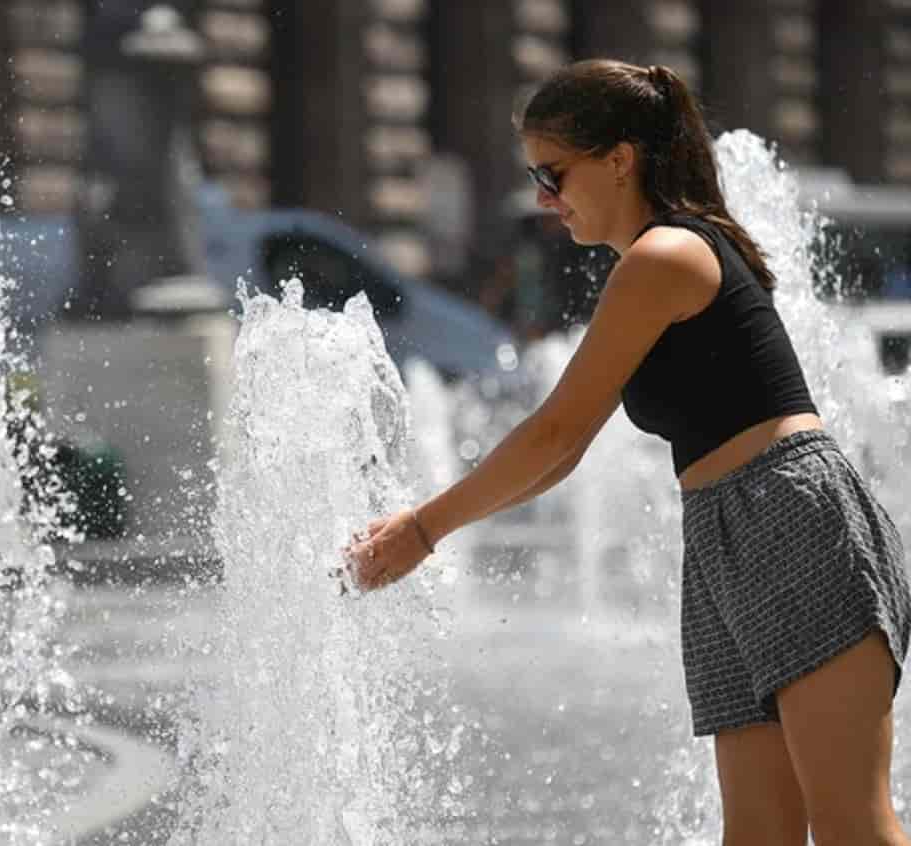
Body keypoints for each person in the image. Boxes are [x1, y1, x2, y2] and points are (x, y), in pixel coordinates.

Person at [347, 59, 911, 845]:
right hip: (724, 531)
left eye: (552, 174)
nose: (544, 199)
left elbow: (554, 432)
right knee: (757, 832)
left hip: (789, 517)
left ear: (619, 160)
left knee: (852, 827)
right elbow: (564, 452)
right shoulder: (647, 262)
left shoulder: (666, 256)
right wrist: (426, 529)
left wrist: (423, 529)